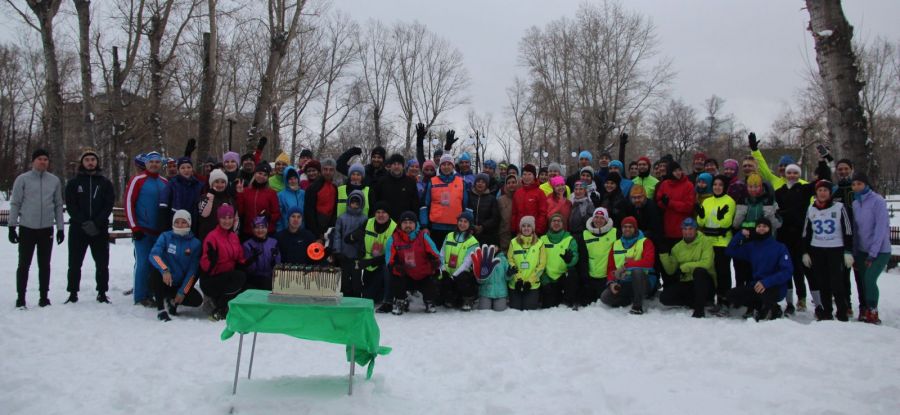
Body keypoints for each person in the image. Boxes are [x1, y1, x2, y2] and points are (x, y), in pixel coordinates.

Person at [10, 148, 65, 308]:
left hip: (46, 228)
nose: (43, 162)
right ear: (33, 161)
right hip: (27, 227)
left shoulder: (54, 180)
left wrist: (60, 228)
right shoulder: (23, 179)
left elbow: (58, 204)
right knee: (24, 264)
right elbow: (15, 203)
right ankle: (21, 297)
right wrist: (12, 226)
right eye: (40, 159)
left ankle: (44, 296)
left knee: (45, 264)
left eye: (45, 159)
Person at [64, 148, 115, 304]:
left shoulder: (105, 183)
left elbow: (108, 204)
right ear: (82, 163)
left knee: (102, 263)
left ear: (97, 162)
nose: (90, 162)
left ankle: (102, 292)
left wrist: (97, 222)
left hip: (99, 228)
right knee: (74, 263)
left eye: (93, 160)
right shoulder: (73, 183)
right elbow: (71, 205)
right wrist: (84, 222)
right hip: (79, 228)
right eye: (87, 160)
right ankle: (73, 292)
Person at [802, 180, 853, 321]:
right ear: (816, 193)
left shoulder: (839, 207)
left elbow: (848, 229)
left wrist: (848, 250)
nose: (822, 193)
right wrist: (805, 251)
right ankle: (827, 311)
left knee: (837, 282)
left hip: (835, 248)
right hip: (817, 249)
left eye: (825, 190)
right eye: (820, 190)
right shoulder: (811, 209)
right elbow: (806, 232)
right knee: (822, 282)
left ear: (830, 193)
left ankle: (842, 311)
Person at [725, 218, 792, 321]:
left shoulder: (780, 247)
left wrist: (766, 282)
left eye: (764, 226)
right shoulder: (752, 246)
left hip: (775, 286)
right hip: (757, 286)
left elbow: (787, 271)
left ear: (769, 229)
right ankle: (761, 306)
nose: (761, 229)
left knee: (761, 316)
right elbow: (730, 251)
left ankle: (771, 309)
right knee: (731, 295)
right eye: (759, 226)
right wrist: (740, 235)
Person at [126, 151, 168, 306]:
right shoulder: (137, 180)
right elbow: (129, 204)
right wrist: (134, 227)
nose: (154, 164)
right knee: (143, 263)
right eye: (151, 162)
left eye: (157, 162)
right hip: (142, 230)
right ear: (146, 163)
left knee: (156, 263)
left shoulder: (164, 182)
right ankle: (140, 295)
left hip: (159, 232)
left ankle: (152, 292)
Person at [774, 163, 815, 314]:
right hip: (783, 235)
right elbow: (775, 210)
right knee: (786, 268)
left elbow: (822, 181)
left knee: (799, 269)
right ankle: (789, 301)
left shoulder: (804, 189)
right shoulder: (779, 192)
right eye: (789, 173)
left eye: (794, 173)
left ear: (799, 175)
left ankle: (802, 298)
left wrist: (825, 160)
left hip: (799, 235)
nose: (791, 175)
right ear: (785, 174)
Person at [850, 172, 890, 324]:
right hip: (861, 250)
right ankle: (865, 309)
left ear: (866, 184)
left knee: (870, 279)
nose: (856, 187)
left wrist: (873, 253)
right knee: (863, 281)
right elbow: (856, 230)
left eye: (859, 183)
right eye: (854, 184)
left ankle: (873, 310)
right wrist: (855, 252)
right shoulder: (855, 203)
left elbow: (881, 228)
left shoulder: (877, 201)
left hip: (880, 250)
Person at [149, 210, 203, 321]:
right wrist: (164, 269)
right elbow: (154, 254)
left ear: (189, 223)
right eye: (177, 222)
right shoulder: (165, 236)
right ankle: (161, 310)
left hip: (179, 283)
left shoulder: (195, 244)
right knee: (154, 275)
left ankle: (173, 302)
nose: (180, 225)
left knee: (197, 300)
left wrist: (182, 291)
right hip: (165, 279)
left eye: (183, 222)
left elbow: (192, 272)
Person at [386, 211, 441, 315]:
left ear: (415, 224)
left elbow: (436, 254)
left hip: (423, 274)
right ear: (400, 224)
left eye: (410, 222)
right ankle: (400, 301)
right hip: (405, 275)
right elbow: (389, 260)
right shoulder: (393, 239)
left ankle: (429, 301)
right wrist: (395, 266)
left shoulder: (423, 236)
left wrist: (435, 261)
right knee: (394, 276)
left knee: (433, 281)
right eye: (405, 223)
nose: (408, 225)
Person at [200, 204, 248, 320]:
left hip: (227, 278)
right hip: (211, 279)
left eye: (230, 217)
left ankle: (223, 303)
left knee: (246, 280)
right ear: (218, 219)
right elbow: (204, 265)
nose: (227, 221)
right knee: (239, 277)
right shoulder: (212, 236)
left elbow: (239, 257)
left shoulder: (233, 236)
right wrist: (211, 262)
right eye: (223, 218)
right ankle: (220, 308)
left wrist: (248, 263)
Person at [659, 218, 715, 318]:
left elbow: (707, 263)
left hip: (705, 282)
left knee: (699, 271)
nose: (687, 232)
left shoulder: (705, 242)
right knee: (664, 298)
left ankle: (699, 309)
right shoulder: (677, 247)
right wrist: (664, 255)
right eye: (685, 229)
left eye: (690, 229)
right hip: (688, 282)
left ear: (696, 230)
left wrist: (685, 267)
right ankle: (694, 301)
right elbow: (670, 270)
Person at [600, 216, 656, 315]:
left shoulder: (645, 242)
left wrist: (627, 265)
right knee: (605, 297)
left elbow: (649, 262)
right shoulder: (616, 244)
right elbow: (611, 267)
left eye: (630, 227)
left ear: (635, 228)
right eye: (625, 227)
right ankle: (629, 299)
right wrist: (612, 283)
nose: (627, 229)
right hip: (625, 281)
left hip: (643, 281)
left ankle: (637, 306)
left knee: (637, 271)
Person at [698, 175, 736, 310]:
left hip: (722, 241)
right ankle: (709, 297)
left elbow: (726, 222)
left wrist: (720, 218)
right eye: (715, 184)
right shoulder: (707, 201)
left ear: (724, 187)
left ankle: (724, 299)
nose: (717, 187)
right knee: (709, 271)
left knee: (722, 272)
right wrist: (701, 215)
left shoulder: (730, 201)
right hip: (707, 241)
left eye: (720, 185)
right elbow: (700, 222)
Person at [420, 154, 470, 248]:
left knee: (452, 257)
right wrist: (424, 226)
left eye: (449, 164)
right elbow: (424, 206)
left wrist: (468, 226)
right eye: (443, 164)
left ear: (453, 166)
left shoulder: (461, 182)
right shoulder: (432, 181)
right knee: (436, 257)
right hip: (435, 228)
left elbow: (466, 206)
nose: (446, 167)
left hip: (456, 228)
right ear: (440, 166)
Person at [357, 202, 397, 310]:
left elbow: (392, 254)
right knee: (368, 297)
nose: (380, 215)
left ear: (389, 215)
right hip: (369, 261)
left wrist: (370, 262)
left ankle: (388, 299)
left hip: (384, 262)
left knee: (387, 269)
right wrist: (360, 250)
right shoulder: (368, 222)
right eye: (378, 212)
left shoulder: (394, 228)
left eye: (384, 212)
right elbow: (358, 236)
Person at [439, 211, 480, 310]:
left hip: (462, 273)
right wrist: (443, 270)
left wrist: (453, 276)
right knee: (441, 280)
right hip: (448, 271)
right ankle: (450, 298)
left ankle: (468, 299)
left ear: (470, 224)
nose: (462, 224)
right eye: (460, 221)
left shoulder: (473, 241)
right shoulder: (449, 236)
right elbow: (441, 254)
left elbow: (466, 263)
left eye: (465, 222)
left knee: (463, 279)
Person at [331, 190, 368, 297]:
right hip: (344, 253)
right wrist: (337, 251)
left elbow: (366, 236)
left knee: (356, 278)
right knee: (345, 277)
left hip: (357, 255)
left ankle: (356, 295)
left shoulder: (364, 218)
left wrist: (363, 249)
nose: (355, 205)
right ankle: (345, 295)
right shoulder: (342, 218)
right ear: (348, 203)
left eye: (357, 203)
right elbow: (337, 234)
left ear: (361, 204)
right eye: (353, 202)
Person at [539, 213, 579, 308]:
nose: (556, 223)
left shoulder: (569, 239)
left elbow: (575, 257)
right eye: (554, 221)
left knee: (572, 272)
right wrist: (544, 279)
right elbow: (537, 261)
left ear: (563, 224)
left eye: (559, 221)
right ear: (550, 224)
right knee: (548, 305)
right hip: (548, 278)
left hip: (563, 277)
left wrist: (570, 260)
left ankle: (567, 300)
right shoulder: (542, 239)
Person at [506, 216, 546, 310]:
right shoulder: (513, 242)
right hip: (516, 283)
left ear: (533, 228)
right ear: (520, 228)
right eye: (523, 226)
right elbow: (510, 260)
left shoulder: (540, 243)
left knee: (529, 309)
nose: (526, 228)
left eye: (529, 226)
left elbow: (541, 265)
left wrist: (530, 281)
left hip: (532, 284)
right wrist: (518, 278)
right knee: (515, 309)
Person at [580, 207, 617, 306]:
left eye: (602, 218)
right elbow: (583, 258)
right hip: (591, 276)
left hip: (607, 277)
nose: (598, 220)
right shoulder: (585, 234)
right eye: (596, 217)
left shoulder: (615, 233)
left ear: (606, 220)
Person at [236, 162, 280, 239]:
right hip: (249, 232)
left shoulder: (271, 193)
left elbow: (277, 213)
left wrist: (269, 217)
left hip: (266, 232)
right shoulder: (246, 191)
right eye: (260, 173)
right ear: (255, 174)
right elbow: (240, 211)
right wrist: (240, 194)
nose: (262, 176)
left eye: (265, 175)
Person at [370, 153, 420, 222]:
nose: (396, 166)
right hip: (385, 221)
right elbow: (376, 201)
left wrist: (414, 220)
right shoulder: (382, 181)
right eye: (394, 164)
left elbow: (415, 204)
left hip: (404, 222)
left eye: (399, 164)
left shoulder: (410, 182)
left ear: (403, 166)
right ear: (390, 166)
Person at [158, 157, 203, 231]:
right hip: (177, 224)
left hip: (194, 223)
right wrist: (163, 227)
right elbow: (163, 204)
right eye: (183, 168)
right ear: (178, 170)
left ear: (192, 169)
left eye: (189, 167)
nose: (186, 170)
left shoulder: (198, 185)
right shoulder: (172, 184)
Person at [241, 216, 281, 290]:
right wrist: (252, 260)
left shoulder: (274, 242)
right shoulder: (247, 245)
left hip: (271, 277)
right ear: (253, 229)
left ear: (267, 228)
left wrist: (274, 262)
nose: (260, 230)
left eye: (263, 227)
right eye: (257, 227)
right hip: (255, 279)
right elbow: (249, 271)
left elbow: (278, 264)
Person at [197, 169, 237, 242]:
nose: (220, 185)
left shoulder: (230, 200)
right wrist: (210, 197)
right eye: (216, 182)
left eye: (222, 182)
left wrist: (233, 234)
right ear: (211, 184)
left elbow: (235, 218)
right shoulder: (205, 197)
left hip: (225, 238)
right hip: (208, 237)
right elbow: (204, 214)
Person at [303, 158, 338, 238]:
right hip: (315, 232)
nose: (328, 172)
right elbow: (309, 213)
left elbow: (334, 211)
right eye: (325, 169)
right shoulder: (313, 188)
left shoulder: (335, 188)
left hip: (329, 231)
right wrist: (317, 234)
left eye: (331, 170)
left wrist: (330, 229)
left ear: (334, 171)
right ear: (321, 170)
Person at [511, 164, 548, 236]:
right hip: (520, 232)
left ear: (534, 176)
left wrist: (538, 230)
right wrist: (514, 229)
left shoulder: (540, 193)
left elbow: (543, 214)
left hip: (534, 232)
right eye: (524, 174)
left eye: (529, 174)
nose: (526, 177)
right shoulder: (518, 193)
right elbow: (514, 213)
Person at [467, 173, 500, 246]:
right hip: (470, 232)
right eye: (478, 181)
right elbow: (465, 213)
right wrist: (472, 226)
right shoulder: (469, 196)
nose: (480, 184)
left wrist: (482, 226)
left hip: (486, 235)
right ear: (475, 183)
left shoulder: (492, 199)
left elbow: (495, 217)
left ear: (486, 184)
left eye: (483, 182)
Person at [276, 166, 304, 232]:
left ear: (298, 179)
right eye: (290, 179)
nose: (293, 181)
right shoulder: (281, 195)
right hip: (287, 230)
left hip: (301, 230)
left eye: (295, 178)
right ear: (286, 180)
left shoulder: (303, 193)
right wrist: (279, 231)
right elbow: (279, 216)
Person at [497, 174, 518, 252]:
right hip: (504, 235)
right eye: (508, 183)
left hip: (518, 234)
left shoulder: (521, 197)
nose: (511, 185)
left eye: (513, 182)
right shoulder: (500, 200)